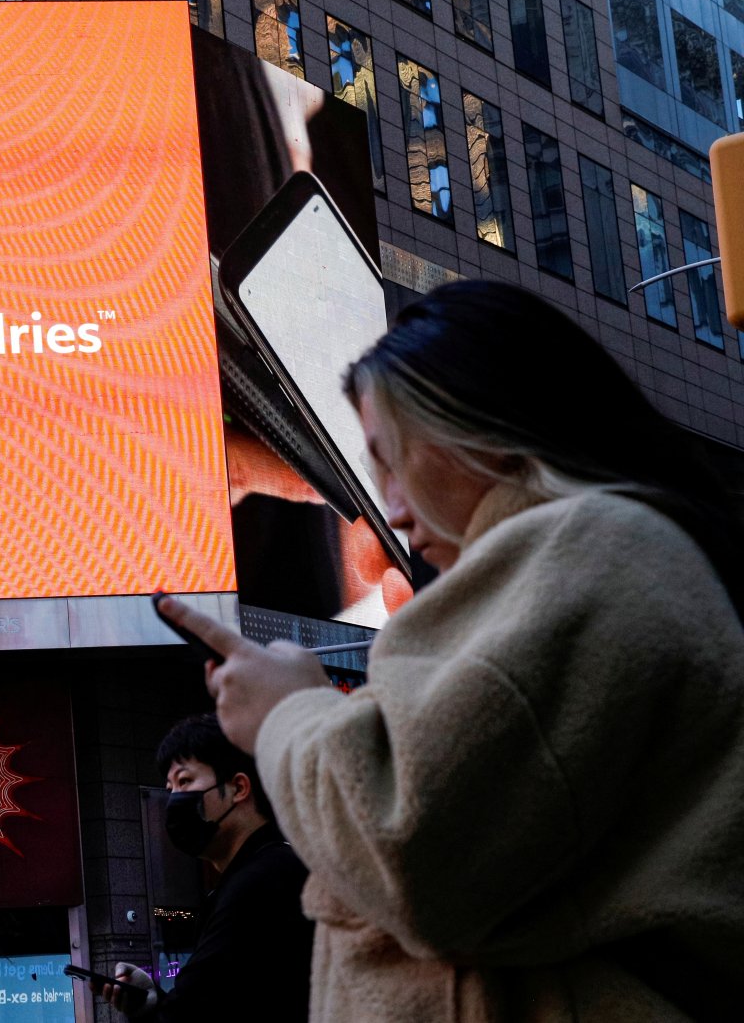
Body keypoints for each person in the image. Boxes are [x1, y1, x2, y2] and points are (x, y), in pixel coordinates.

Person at [159, 281, 744, 1019]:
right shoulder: (600, 558)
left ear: (485, 428)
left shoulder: (595, 553)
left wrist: (289, 714)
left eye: (393, 460)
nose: (393, 510)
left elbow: (414, 853)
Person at [91, 713, 312, 1022]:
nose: (173, 799)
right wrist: (153, 1001)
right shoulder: (272, 868)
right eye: (169, 787)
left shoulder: (258, 884)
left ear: (238, 788)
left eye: (185, 781)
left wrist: (156, 1010)